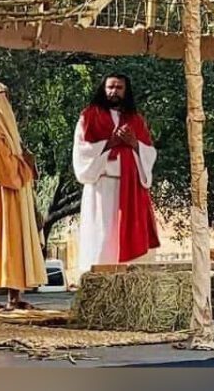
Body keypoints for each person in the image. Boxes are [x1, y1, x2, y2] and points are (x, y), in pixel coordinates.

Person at [72, 73, 159, 275]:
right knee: (103, 237)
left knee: (129, 237)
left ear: (126, 91)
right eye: (110, 87)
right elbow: (82, 151)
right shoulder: (89, 117)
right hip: (102, 188)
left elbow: (150, 152)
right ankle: (100, 277)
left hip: (131, 189)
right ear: (103, 89)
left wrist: (134, 143)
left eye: (119, 87)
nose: (114, 91)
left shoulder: (136, 121)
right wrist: (110, 143)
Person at [0, 82, 46, 312]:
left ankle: (15, 296)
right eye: (5, 99)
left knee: (15, 240)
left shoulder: (4, 129)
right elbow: (2, 168)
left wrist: (24, 163)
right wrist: (24, 164)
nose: (8, 105)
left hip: (14, 194)